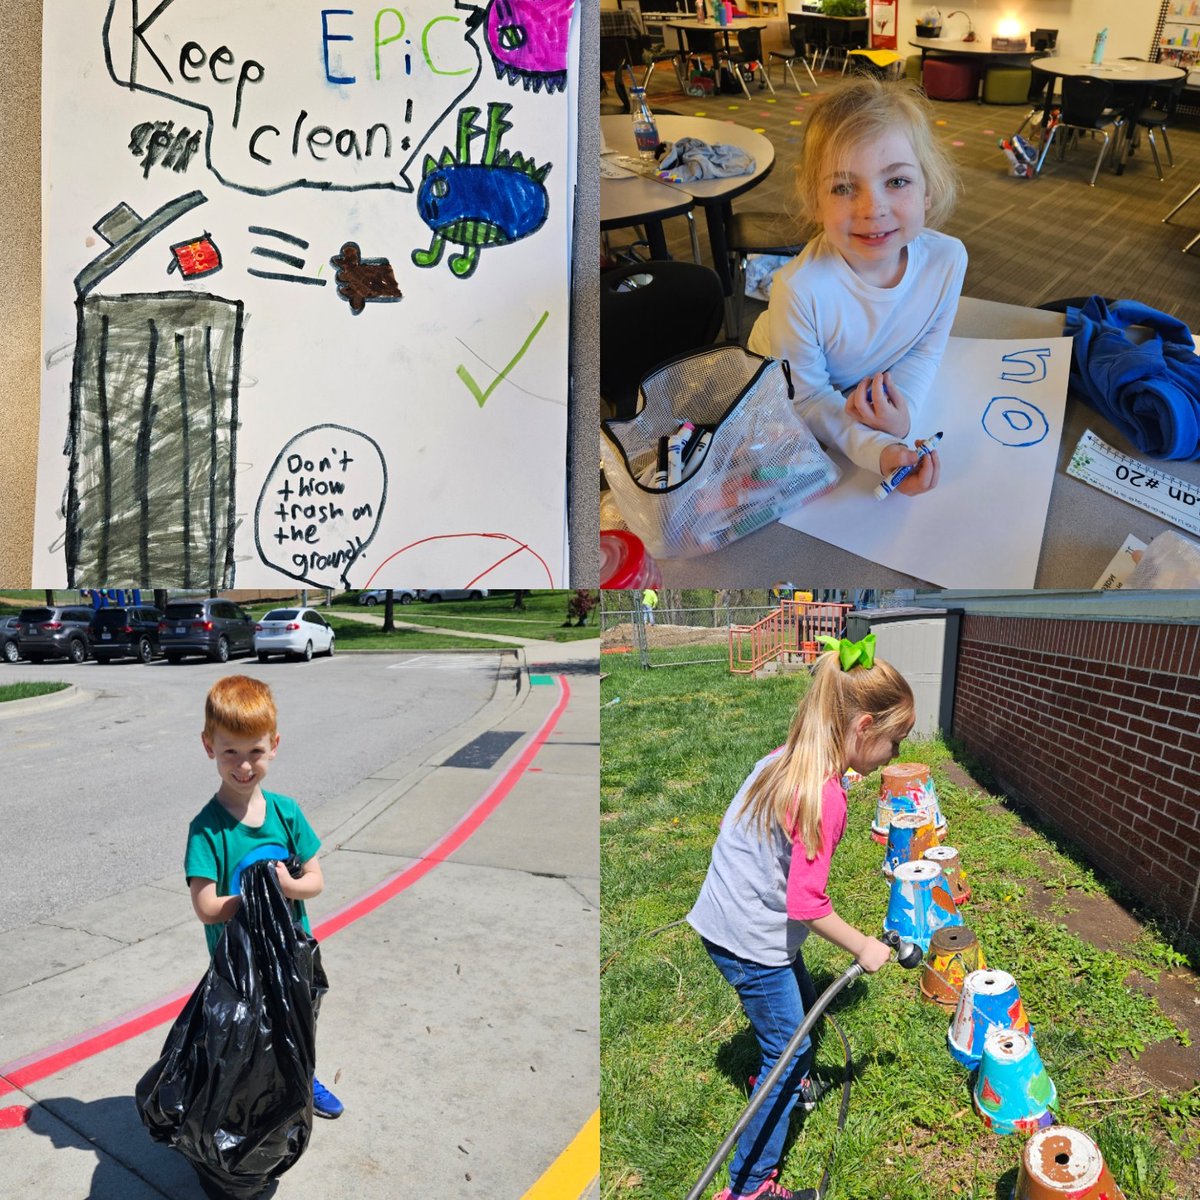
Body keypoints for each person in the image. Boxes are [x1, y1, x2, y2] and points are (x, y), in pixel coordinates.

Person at [687, 637, 915, 1200]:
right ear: (863, 728)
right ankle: (748, 1186)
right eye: (894, 741)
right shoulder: (824, 797)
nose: (894, 753)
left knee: (802, 1019)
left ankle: (776, 1073)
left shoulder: (787, 760)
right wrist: (864, 945)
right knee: (787, 1059)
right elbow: (807, 904)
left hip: (730, 919)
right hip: (751, 940)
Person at [747, 77, 967, 497]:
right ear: (814, 200)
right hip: (776, 377)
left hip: (851, 381)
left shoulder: (948, 260)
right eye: (845, 188)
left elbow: (924, 350)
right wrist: (882, 450)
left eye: (897, 181)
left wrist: (904, 416)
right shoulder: (799, 290)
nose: (873, 209)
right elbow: (809, 400)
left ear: (928, 189)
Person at [185, 675, 344, 1120]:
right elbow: (206, 907)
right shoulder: (207, 829)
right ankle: (249, 1099)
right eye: (229, 751)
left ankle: (302, 1076)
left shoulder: (286, 813)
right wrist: (251, 898)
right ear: (208, 746)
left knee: (297, 1022)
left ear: (274, 745)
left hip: (292, 953)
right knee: (247, 1036)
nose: (243, 765)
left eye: (255, 751)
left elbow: (315, 879)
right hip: (239, 968)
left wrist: (287, 889)